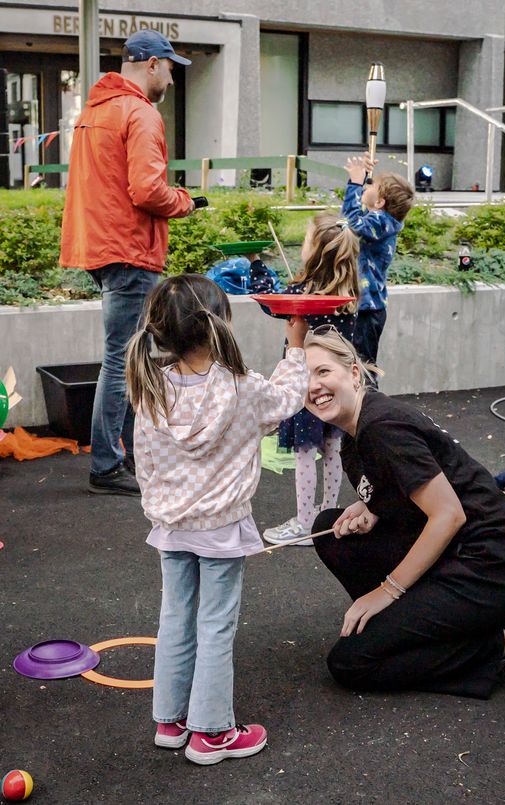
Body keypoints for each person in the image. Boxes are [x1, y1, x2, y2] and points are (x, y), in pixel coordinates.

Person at [302, 328, 505, 699]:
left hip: (489, 566)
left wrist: (387, 591)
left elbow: (448, 515)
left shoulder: (381, 427)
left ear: (354, 373)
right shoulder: (357, 431)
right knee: (330, 529)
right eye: (305, 377)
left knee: (351, 662)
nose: (313, 386)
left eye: (323, 371)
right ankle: (428, 627)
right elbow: (411, 482)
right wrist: (373, 506)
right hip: (462, 553)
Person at [126, 274, 309, 764]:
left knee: (175, 619)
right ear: (218, 323)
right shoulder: (242, 389)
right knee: (215, 626)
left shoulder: (150, 388)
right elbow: (289, 397)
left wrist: (162, 508)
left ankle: (171, 720)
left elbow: (145, 461)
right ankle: (212, 733)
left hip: (171, 527)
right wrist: (295, 346)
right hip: (222, 529)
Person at [60, 30, 195, 497]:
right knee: (123, 359)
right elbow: (148, 190)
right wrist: (185, 201)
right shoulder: (140, 112)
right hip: (130, 248)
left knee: (129, 356)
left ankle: (130, 453)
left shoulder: (94, 111)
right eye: (170, 69)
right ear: (152, 64)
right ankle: (107, 464)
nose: (171, 81)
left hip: (101, 247)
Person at [248, 214, 360, 545]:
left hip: (306, 385)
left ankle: (305, 523)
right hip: (336, 385)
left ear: (315, 251)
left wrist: (255, 264)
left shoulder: (302, 293)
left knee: (304, 453)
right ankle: (328, 514)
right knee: (333, 448)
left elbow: (270, 302)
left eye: (308, 239)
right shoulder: (348, 294)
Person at [341, 154, 414, 369]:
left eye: (372, 184)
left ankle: (368, 392)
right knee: (357, 365)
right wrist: (362, 176)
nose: (367, 185)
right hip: (367, 307)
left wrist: (355, 184)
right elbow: (358, 214)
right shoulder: (380, 221)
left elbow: (351, 222)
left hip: (366, 309)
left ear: (380, 202)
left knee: (362, 367)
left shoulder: (381, 222)